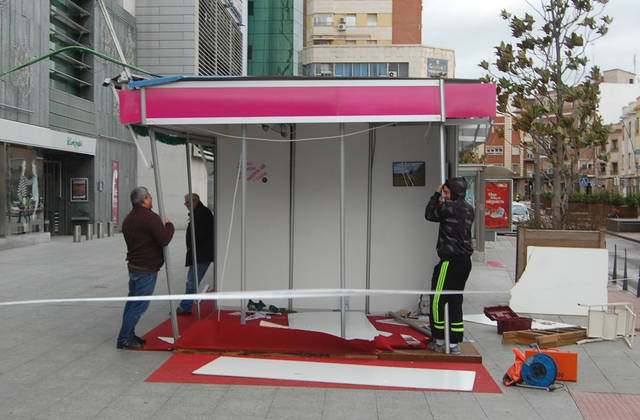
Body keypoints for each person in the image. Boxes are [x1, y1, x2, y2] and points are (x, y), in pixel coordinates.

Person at [117, 187, 174, 349]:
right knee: (139, 305)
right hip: (146, 268)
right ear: (144, 200)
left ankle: (128, 333)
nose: (151, 199)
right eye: (149, 197)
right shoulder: (150, 218)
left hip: (134, 266)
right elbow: (164, 239)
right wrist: (169, 226)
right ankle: (124, 338)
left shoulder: (129, 219)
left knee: (132, 303)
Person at [424, 177, 474, 354]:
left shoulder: (449, 207)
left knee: (438, 299)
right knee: (455, 300)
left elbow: (430, 214)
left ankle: (438, 339)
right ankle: (454, 342)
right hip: (465, 263)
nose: (445, 195)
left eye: (447, 192)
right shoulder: (469, 209)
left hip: (449, 262)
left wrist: (436, 195)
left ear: (454, 192)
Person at [176, 193, 214, 315]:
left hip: (201, 254)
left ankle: (185, 307)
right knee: (191, 281)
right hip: (199, 254)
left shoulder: (202, 213)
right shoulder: (199, 212)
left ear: (195, 201)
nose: (186, 205)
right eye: (185, 203)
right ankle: (185, 306)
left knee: (192, 281)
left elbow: (201, 235)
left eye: (187, 203)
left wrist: (192, 245)